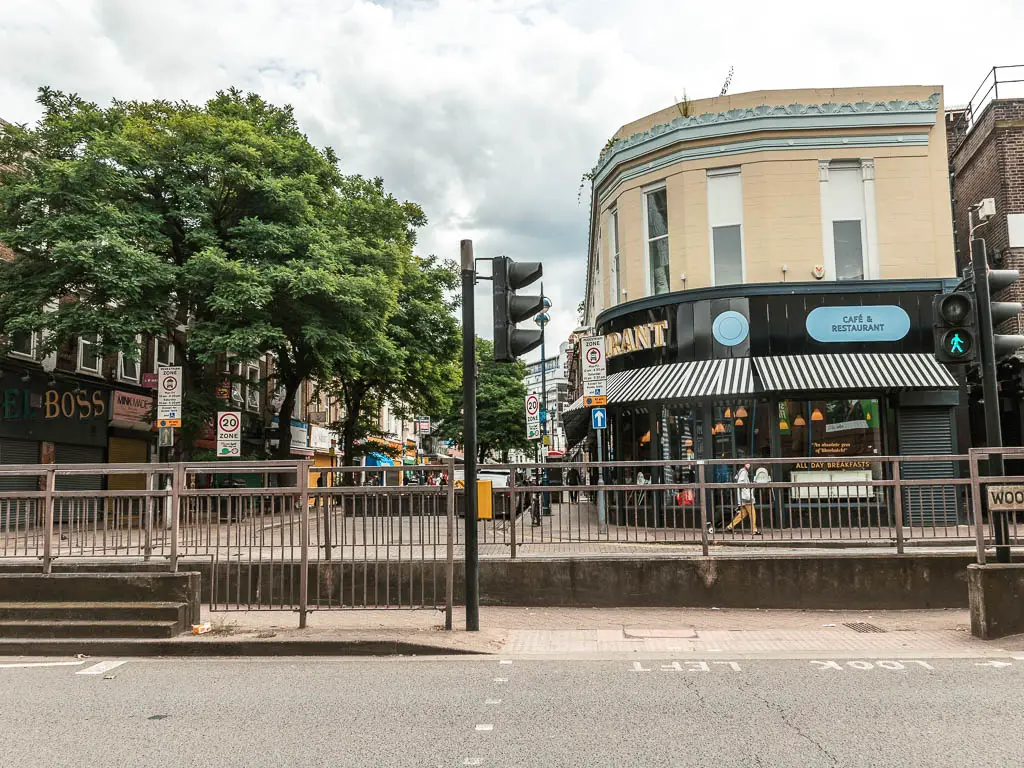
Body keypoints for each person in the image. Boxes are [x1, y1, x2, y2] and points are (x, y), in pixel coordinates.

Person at [726, 463, 759, 534]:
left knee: (743, 514)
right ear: (745, 465)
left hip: (743, 497)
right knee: (752, 513)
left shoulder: (741, 471)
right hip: (746, 498)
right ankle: (754, 530)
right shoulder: (744, 472)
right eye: (748, 463)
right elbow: (741, 483)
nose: (749, 465)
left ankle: (730, 526)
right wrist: (749, 486)